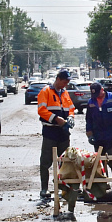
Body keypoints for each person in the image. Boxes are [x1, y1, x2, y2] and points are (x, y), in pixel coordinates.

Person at [38, 69, 75, 199]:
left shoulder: (65, 93)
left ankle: (63, 187)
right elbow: (42, 110)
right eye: (64, 81)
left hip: (63, 132)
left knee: (65, 161)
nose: (66, 84)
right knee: (46, 161)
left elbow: (71, 108)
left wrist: (71, 117)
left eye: (68, 82)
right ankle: (44, 188)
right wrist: (56, 118)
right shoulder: (46, 91)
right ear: (58, 79)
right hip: (50, 131)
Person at [85, 82, 112, 176]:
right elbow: (88, 119)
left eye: (98, 93)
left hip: (111, 135)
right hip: (98, 135)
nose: (96, 96)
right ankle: (104, 184)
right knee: (100, 161)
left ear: (102, 90)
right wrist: (90, 134)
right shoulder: (91, 102)